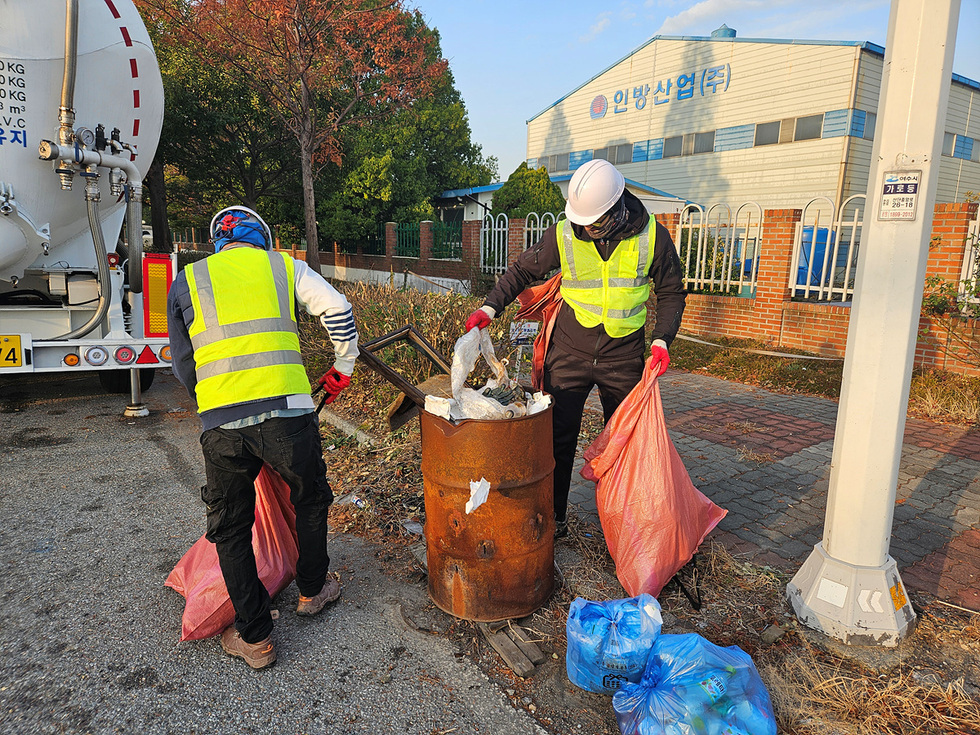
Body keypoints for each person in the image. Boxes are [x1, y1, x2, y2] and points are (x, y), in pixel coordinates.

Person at [167, 206, 359, 669]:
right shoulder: (283, 266)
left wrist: (212, 401)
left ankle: (255, 637)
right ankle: (313, 591)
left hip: (222, 423)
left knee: (231, 528)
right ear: (263, 238)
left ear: (218, 243)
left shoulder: (187, 281)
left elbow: (182, 362)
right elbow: (338, 307)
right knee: (309, 499)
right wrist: (342, 367)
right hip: (288, 417)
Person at [465, 159, 686, 538]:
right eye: (581, 220)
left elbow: (671, 293)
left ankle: (619, 524)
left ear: (617, 208)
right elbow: (521, 270)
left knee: (622, 443)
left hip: (623, 356)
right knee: (556, 438)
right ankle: (555, 518)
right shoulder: (565, 234)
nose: (585, 228)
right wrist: (489, 307)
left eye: (593, 221)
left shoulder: (653, 237)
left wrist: (662, 339)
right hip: (568, 351)